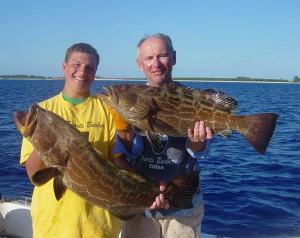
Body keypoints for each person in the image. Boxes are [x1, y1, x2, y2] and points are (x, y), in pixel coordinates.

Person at [113, 33, 213, 238]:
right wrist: (151, 190)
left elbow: (200, 152)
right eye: (149, 58)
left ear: (174, 57)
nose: (156, 63)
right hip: (141, 204)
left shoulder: (192, 99)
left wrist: (197, 143)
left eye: (162, 56)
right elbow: (123, 154)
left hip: (183, 206)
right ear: (139, 63)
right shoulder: (128, 102)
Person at [19, 43, 122, 238]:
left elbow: (118, 165)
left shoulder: (109, 111)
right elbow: (34, 175)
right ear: (64, 66)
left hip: (100, 227)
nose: (82, 71)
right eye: (76, 64)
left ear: (95, 72)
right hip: (52, 226)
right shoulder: (41, 112)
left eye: (90, 67)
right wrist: (45, 145)